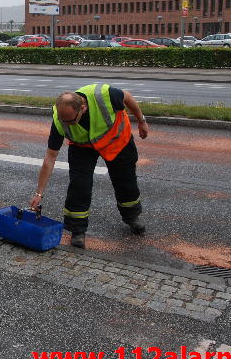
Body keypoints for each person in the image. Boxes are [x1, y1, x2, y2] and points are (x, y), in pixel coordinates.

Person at [29, 84, 150, 249]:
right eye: (65, 121)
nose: (68, 125)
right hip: (83, 147)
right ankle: (77, 230)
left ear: (83, 108)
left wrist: (141, 120)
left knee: (126, 182)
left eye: (72, 120)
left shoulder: (105, 95)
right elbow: (50, 157)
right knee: (79, 185)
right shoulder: (60, 120)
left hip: (117, 141)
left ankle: (132, 218)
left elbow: (127, 97)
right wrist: (39, 193)